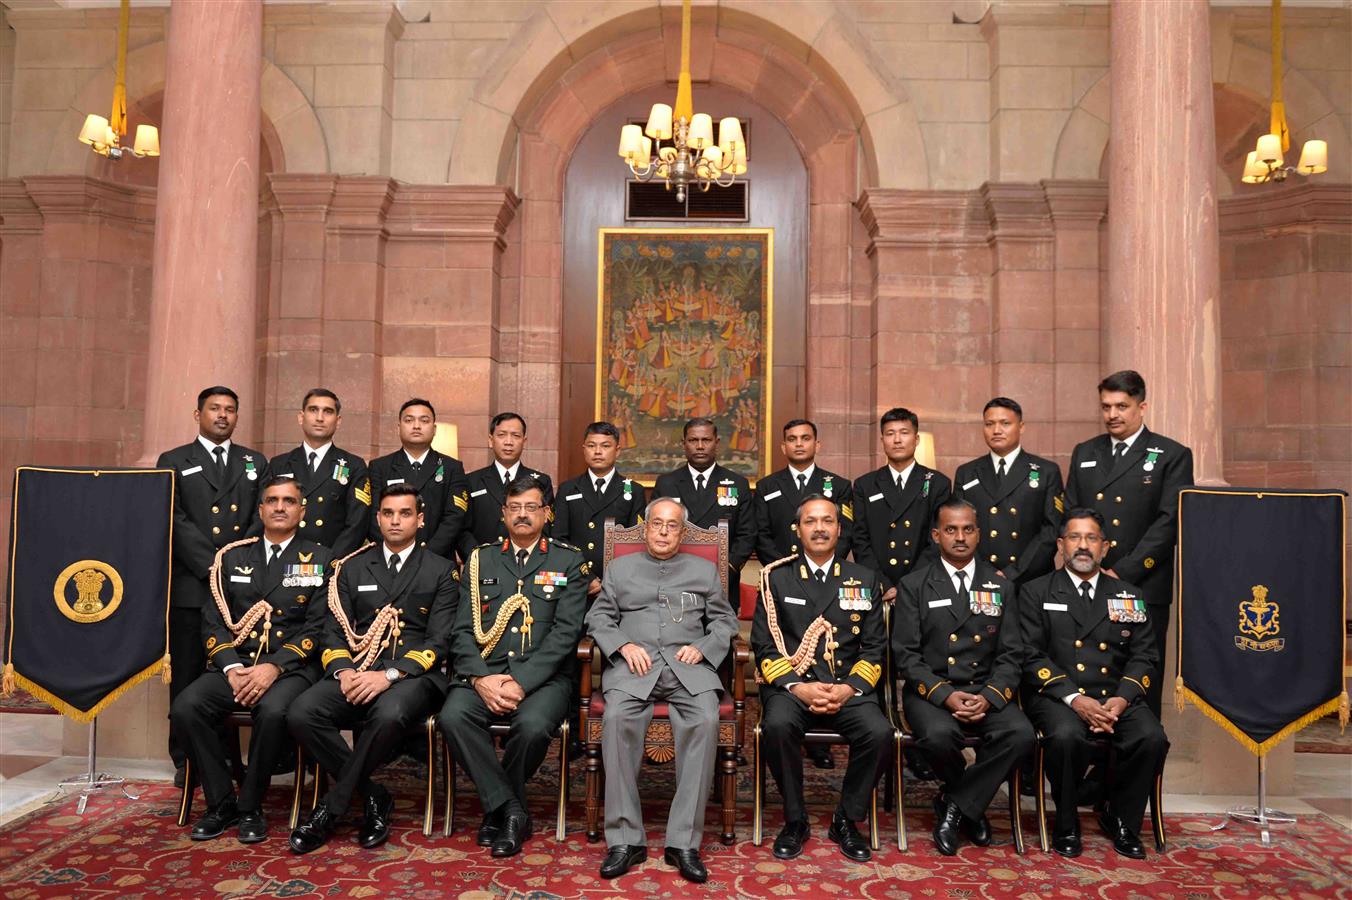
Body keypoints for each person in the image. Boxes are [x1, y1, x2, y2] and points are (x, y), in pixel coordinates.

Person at [287, 484, 458, 854]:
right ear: (378, 518)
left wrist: (389, 675)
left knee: (389, 712)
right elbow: (334, 630)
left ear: (420, 519)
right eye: (388, 513)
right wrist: (345, 671)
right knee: (302, 711)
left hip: (413, 677)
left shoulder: (441, 570)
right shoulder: (352, 566)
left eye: (405, 513)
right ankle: (373, 795)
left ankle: (329, 810)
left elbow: (440, 641)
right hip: (357, 669)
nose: (396, 521)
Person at [585, 498, 739, 884]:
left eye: (672, 526)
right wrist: (622, 645)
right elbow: (598, 617)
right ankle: (625, 840)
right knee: (617, 718)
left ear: (683, 532)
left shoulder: (704, 571)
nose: (664, 532)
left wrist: (703, 648)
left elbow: (725, 622)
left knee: (705, 720)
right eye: (657, 524)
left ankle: (683, 842)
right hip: (635, 668)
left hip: (689, 669)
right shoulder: (619, 569)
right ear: (646, 526)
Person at [170, 476, 332, 843]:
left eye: (289, 501)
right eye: (272, 501)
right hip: (236, 665)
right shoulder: (231, 557)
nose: (279, 507)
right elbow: (213, 619)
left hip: (290, 668)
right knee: (186, 707)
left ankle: (250, 806)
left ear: (301, 511)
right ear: (260, 510)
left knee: (274, 711)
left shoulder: (321, 559)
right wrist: (230, 666)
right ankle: (221, 802)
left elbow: (317, 627)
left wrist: (273, 666)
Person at [438, 478, 586, 858]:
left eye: (531, 507)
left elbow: (566, 634)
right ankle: (511, 810)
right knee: (453, 717)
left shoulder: (568, 560)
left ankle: (499, 807)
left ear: (547, 514)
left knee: (533, 727)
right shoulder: (480, 560)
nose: (522, 514)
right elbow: (461, 630)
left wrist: (520, 682)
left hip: (543, 680)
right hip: (483, 674)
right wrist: (481, 678)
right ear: (503, 514)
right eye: (514, 507)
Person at [1019, 508, 1168, 860]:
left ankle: (1122, 819)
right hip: (1058, 695)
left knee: (1151, 737)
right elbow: (1029, 655)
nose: (1082, 546)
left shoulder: (1128, 594)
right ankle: (1066, 823)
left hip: (1115, 697)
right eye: (1074, 537)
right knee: (1066, 737)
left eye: (1091, 539)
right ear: (1060, 545)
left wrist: (1122, 699)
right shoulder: (1035, 591)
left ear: (1105, 547)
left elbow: (1145, 656)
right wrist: (1074, 699)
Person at [752, 495, 892, 863]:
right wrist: (799, 686)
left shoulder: (863, 579)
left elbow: (875, 647)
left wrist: (847, 689)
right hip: (793, 686)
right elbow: (764, 646)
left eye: (827, 521)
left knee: (879, 734)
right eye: (810, 521)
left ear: (839, 529)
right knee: (777, 726)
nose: (819, 528)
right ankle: (795, 819)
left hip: (848, 686)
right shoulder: (776, 578)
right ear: (797, 530)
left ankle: (847, 818)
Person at [893, 498, 1034, 855]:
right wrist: (945, 695)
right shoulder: (915, 584)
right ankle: (973, 806)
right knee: (939, 736)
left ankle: (955, 804)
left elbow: (1011, 653)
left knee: (1020, 735)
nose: (960, 537)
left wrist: (990, 695)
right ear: (936, 535)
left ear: (978, 534)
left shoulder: (1000, 586)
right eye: (951, 530)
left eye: (968, 529)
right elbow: (906, 655)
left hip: (985, 687)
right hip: (932, 690)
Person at [157, 385, 270, 783]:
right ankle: (186, 761)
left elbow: (263, 515)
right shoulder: (173, 461)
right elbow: (174, 519)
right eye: (214, 409)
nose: (222, 415)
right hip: (194, 584)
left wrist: (235, 564)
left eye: (230, 410)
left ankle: (228, 759)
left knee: (234, 671)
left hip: (240, 590)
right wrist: (214, 565)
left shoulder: (254, 461)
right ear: (198, 414)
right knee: (188, 675)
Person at [1066, 370, 1192, 717]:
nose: (1112, 415)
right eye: (1106, 406)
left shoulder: (1171, 454)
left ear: (1142, 407)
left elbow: (1171, 522)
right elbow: (1074, 515)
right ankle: (1096, 764)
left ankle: (1137, 765)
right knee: (1091, 674)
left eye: (1122, 406)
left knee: (1138, 680)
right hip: (1088, 584)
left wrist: (1123, 571)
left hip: (1140, 584)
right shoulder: (1085, 452)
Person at [752, 419, 857, 770]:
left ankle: (820, 743)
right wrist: (785, 573)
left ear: (817, 443)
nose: (799, 444)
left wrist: (820, 572)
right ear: (783, 446)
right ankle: (791, 735)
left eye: (805, 438)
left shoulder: (838, 486)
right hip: (783, 583)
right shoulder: (767, 486)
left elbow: (846, 533)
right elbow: (761, 534)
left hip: (828, 582)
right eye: (792, 439)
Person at [952, 397, 1063, 586]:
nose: (996, 430)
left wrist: (1013, 572)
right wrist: (984, 571)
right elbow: (959, 527)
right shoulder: (967, 472)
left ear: (1021, 427)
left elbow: (1051, 531)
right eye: (989, 424)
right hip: (979, 578)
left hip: (1032, 579)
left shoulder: (1046, 471)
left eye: (1005, 423)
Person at [852, 407, 952, 597]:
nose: (897, 440)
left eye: (904, 433)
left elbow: (938, 540)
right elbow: (859, 540)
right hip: (880, 587)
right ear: (882, 441)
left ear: (916, 439)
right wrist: (883, 583)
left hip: (923, 584)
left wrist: (910, 584)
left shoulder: (938, 483)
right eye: (890, 434)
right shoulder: (865, 485)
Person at [268, 388, 371, 557]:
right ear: (301, 417)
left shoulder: (354, 466)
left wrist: (332, 561)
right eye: (313, 410)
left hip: (331, 562)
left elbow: (357, 523)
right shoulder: (279, 464)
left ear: (338, 421)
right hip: (285, 559)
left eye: (328, 412)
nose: (320, 418)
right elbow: (268, 516)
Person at [653, 418, 755, 587]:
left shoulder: (738, 483)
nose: (700, 446)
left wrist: (728, 567)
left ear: (717, 443)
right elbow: (654, 529)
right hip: (673, 575)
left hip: (721, 578)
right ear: (683, 443)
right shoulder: (666, 483)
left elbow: (747, 533)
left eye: (706, 440)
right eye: (693, 440)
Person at [366, 398, 471, 560]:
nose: (416, 426)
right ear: (399, 427)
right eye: (409, 420)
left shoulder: (452, 467)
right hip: (390, 560)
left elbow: (454, 518)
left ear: (434, 429)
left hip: (437, 560)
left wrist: (425, 557)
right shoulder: (380, 467)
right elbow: (374, 516)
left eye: (424, 420)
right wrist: (397, 552)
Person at [553, 421, 647, 601]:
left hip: (618, 586)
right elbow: (559, 538)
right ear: (583, 449)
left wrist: (611, 580)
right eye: (591, 446)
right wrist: (586, 576)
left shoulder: (634, 490)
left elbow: (636, 541)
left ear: (617, 450)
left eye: (605, 446)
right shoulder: (568, 489)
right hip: (576, 583)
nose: (597, 452)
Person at [457, 413, 556, 562]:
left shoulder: (541, 481)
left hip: (528, 563)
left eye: (516, 436)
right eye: (502, 435)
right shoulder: (472, 481)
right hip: (484, 564)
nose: (508, 442)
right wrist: (478, 559)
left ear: (524, 441)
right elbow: (462, 530)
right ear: (491, 440)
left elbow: (546, 528)